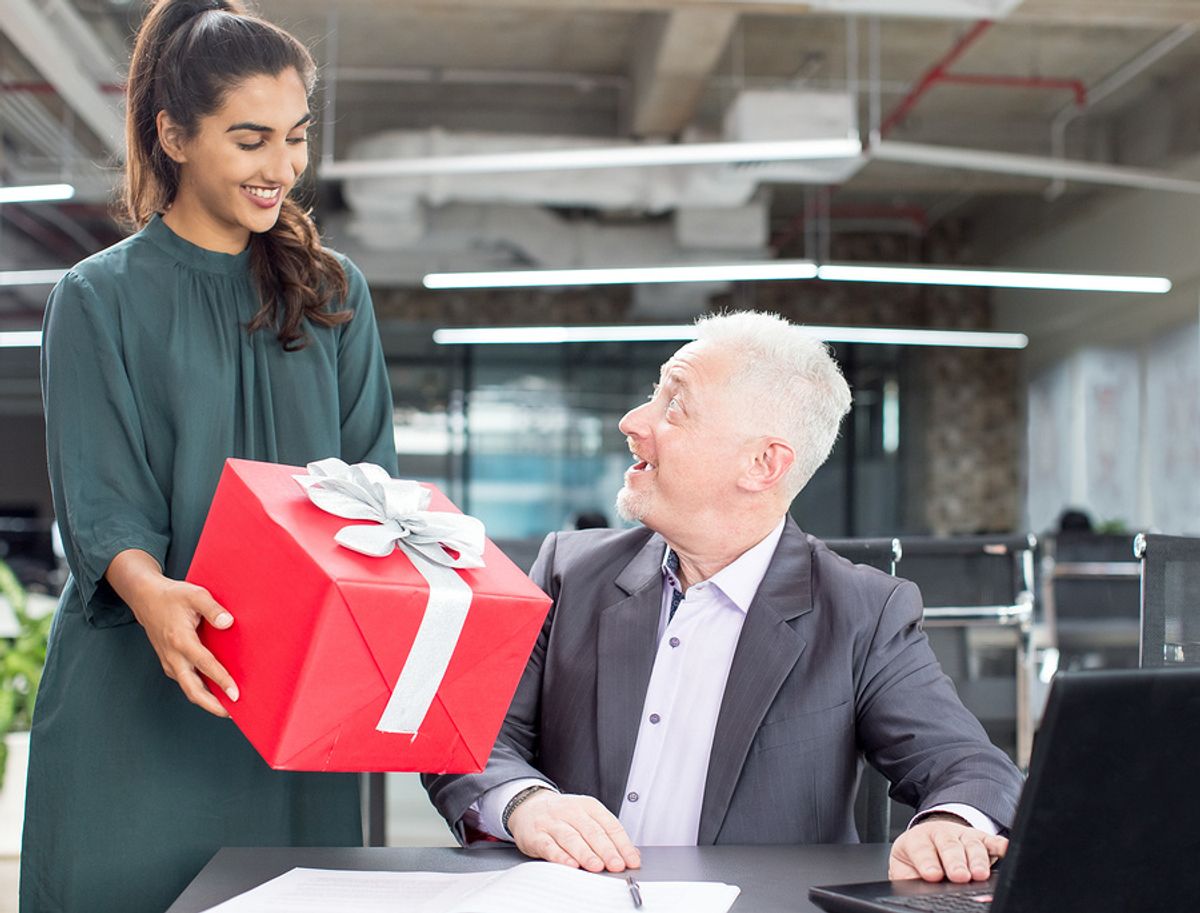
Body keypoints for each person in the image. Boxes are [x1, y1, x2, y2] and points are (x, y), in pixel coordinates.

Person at [424, 311, 1023, 885]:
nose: (632, 421)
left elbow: (969, 767)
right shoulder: (570, 572)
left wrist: (950, 827)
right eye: (653, 394)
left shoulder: (863, 611)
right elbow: (469, 739)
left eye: (674, 405)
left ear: (763, 464)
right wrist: (526, 804)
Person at [21, 3, 397, 911]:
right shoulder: (96, 298)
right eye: (250, 139)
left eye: (295, 137)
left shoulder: (333, 293)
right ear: (174, 136)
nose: (283, 168)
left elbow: (376, 491)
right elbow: (102, 505)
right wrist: (155, 597)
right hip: (138, 694)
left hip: (297, 701)